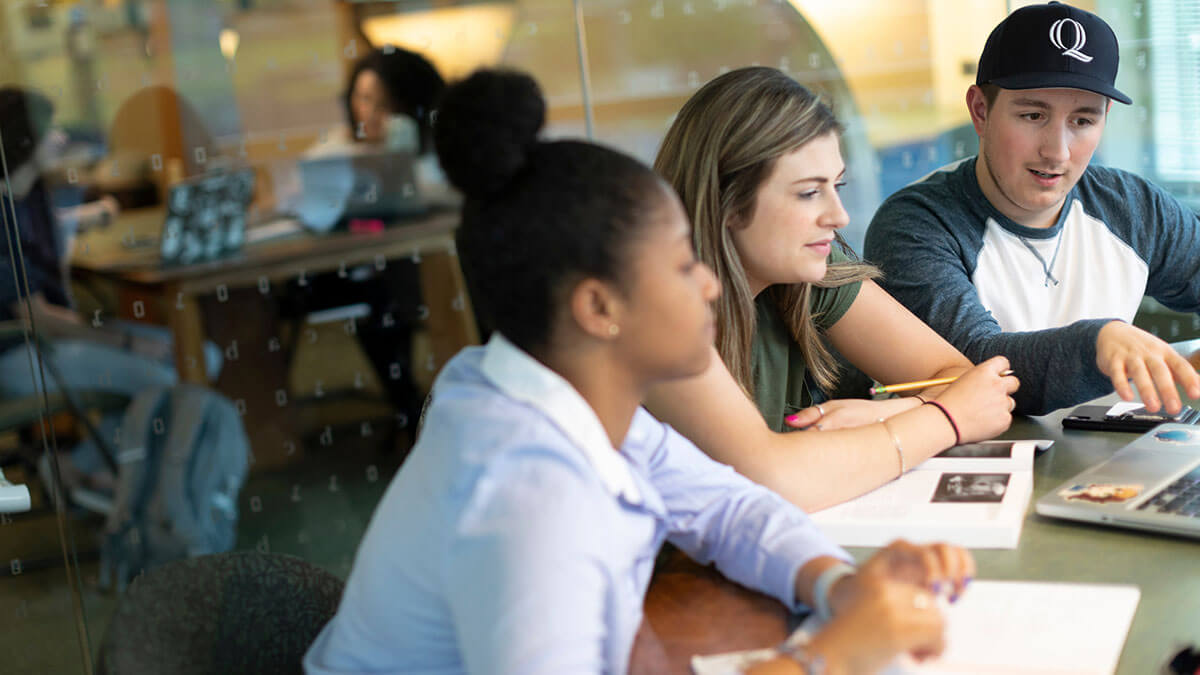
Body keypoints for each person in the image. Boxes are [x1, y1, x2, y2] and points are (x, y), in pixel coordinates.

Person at [304, 68, 972, 675]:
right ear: (599, 308)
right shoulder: (526, 499)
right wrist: (829, 654)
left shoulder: (569, 400)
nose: (711, 283)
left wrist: (840, 585)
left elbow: (729, 508)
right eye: (683, 265)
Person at [647, 67, 1019, 511]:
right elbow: (770, 478)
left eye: (836, 186)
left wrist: (882, 413)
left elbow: (960, 377)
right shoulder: (656, 311)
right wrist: (945, 419)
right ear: (727, 200)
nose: (839, 216)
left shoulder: (806, 268)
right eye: (808, 193)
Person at [863, 2, 1200, 416]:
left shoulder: (1133, 208)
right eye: (1033, 114)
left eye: (1082, 121)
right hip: (960, 468)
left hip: (1097, 466)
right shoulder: (916, 225)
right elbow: (973, 372)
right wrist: (1099, 343)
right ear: (981, 111)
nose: (1057, 151)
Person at [0, 86, 219, 490]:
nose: (61, 138)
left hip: (49, 339)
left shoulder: (31, 198)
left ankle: (80, 466)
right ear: (24, 140)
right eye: (51, 130)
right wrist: (126, 343)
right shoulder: (4, 216)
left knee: (201, 356)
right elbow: (39, 319)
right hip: (19, 354)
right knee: (168, 378)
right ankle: (111, 478)